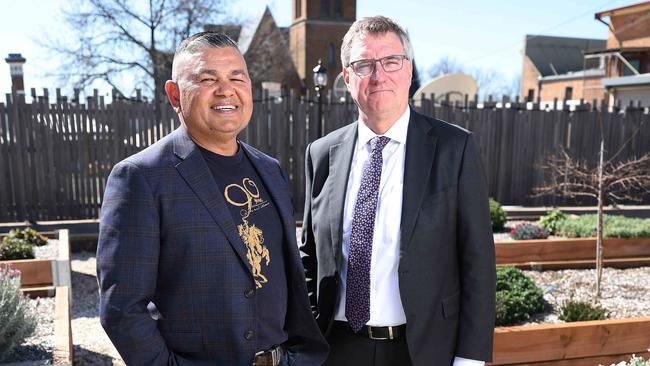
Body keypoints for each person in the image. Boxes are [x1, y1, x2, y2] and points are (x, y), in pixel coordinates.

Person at [97, 32, 328, 366]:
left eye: (237, 77)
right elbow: (122, 309)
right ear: (175, 95)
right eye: (208, 78)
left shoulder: (270, 169)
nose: (226, 89)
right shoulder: (141, 177)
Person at [301, 16, 496, 366]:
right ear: (347, 77)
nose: (379, 75)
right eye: (364, 65)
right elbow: (309, 256)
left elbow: (478, 261)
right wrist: (309, 339)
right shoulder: (322, 154)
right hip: (337, 349)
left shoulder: (454, 148)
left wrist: (470, 358)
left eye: (391, 61)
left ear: (408, 70)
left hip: (421, 350)